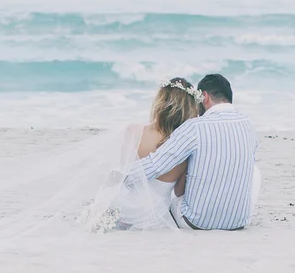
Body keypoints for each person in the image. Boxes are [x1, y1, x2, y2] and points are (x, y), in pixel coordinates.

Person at [126, 74, 259, 231]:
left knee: (175, 194)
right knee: (254, 171)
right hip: (238, 222)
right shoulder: (249, 125)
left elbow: (156, 165)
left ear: (205, 97)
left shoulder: (195, 127)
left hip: (195, 222)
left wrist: (123, 177)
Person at [95, 77, 201, 231]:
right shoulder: (184, 147)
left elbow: (125, 173)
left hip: (124, 208)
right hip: (152, 215)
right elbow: (179, 191)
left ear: (160, 103)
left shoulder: (134, 131)